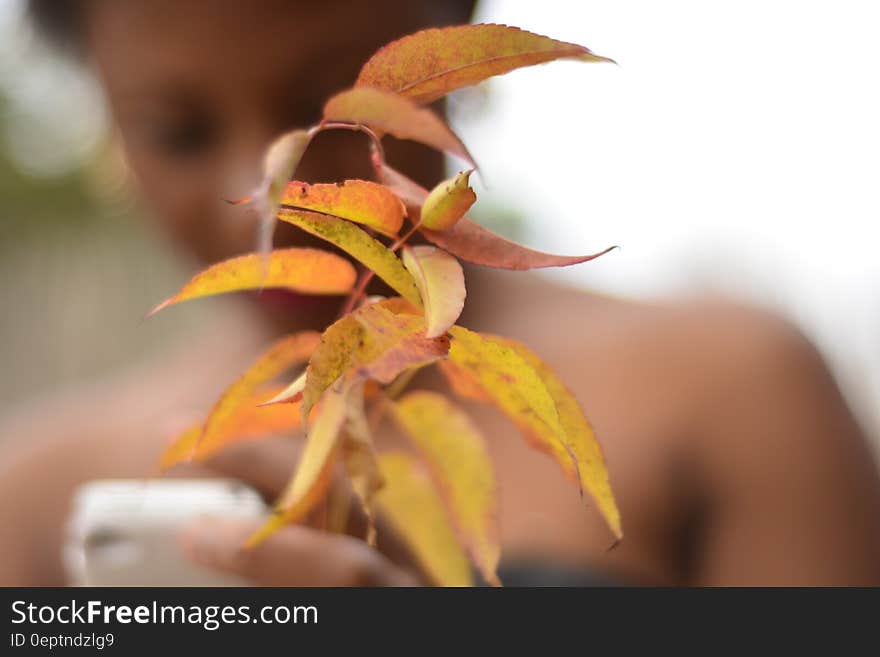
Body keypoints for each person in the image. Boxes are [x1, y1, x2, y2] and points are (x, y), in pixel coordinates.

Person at [2, 0, 879, 586]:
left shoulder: (730, 390)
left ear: (454, 57)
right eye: (176, 131)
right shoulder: (35, 494)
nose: (269, 206)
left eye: (333, 112)